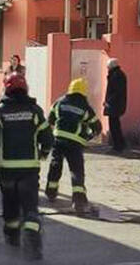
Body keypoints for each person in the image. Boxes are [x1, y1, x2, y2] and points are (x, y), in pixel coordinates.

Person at [0, 72, 53, 261]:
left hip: (5, 170)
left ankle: (12, 236)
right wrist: (44, 152)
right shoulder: (34, 111)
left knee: (10, 203)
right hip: (29, 169)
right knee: (30, 206)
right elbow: (48, 137)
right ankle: (33, 242)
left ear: (7, 88)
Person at [45, 78, 102, 214]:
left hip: (58, 140)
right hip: (75, 143)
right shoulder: (85, 107)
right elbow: (97, 127)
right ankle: (78, 200)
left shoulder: (59, 102)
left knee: (55, 165)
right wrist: (88, 136)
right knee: (76, 171)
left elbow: (50, 121)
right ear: (83, 92)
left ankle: (51, 192)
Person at [104, 58, 127, 152]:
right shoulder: (117, 74)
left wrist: (108, 101)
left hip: (114, 105)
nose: (107, 68)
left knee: (114, 126)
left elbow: (116, 92)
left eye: (108, 66)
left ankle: (118, 146)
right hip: (115, 104)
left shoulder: (116, 75)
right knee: (115, 125)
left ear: (112, 66)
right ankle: (120, 144)